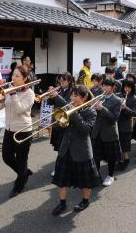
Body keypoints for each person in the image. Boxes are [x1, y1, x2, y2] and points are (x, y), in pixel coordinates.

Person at [52, 85, 100, 216]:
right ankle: (62, 203)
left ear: (84, 98)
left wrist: (74, 113)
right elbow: (59, 128)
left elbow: (86, 130)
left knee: (86, 181)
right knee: (62, 179)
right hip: (65, 148)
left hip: (82, 150)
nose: (72, 98)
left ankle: (85, 201)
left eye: (76, 95)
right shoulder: (67, 108)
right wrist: (58, 121)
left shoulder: (91, 112)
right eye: (72, 95)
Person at [0, 66, 35, 198]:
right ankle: (24, 173)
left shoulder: (29, 93)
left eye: (17, 76)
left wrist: (13, 94)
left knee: (21, 160)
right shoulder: (9, 90)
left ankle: (19, 185)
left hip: (23, 130)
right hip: (9, 129)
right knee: (6, 157)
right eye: (13, 75)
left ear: (25, 79)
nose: (13, 78)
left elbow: (20, 110)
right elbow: (1, 106)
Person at [92, 78, 122, 187]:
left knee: (111, 157)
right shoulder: (99, 97)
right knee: (96, 156)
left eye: (107, 86)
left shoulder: (117, 100)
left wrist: (102, 108)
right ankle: (97, 175)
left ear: (113, 87)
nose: (105, 88)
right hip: (97, 131)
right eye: (103, 85)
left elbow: (114, 118)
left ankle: (110, 175)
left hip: (109, 133)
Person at [48, 72, 74, 177]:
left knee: (65, 147)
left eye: (64, 80)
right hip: (57, 120)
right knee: (59, 146)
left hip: (66, 121)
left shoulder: (73, 91)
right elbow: (51, 103)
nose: (61, 82)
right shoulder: (59, 90)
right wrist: (50, 95)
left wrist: (57, 95)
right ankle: (61, 167)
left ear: (69, 81)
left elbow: (67, 105)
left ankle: (61, 168)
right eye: (60, 80)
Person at [117, 80, 136, 171]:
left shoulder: (134, 98)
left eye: (129, 87)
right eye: (125, 87)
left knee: (125, 143)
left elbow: (134, 113)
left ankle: (126, 160)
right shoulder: (118, 96)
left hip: (126, 124)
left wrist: (125, 108)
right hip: (117, 123)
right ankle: (119, 160)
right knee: (118, 143)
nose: (127, 89)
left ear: (132, 88)